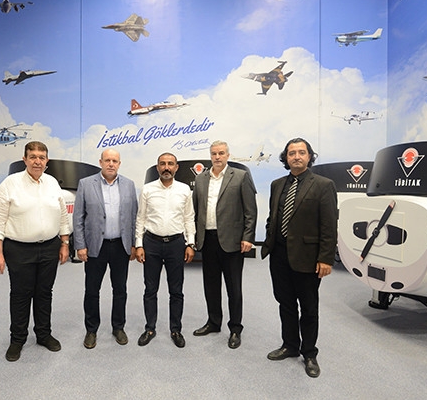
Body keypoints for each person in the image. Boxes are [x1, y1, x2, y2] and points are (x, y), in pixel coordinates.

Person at [261, 137, 337, 378]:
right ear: (286, 158)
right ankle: (290, 345)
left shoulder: (323, 185)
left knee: (309, 308)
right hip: (279, 255)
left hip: (308, 257)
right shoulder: (277, 184)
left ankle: (310, 353)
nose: (296, 156)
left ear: (309, 156)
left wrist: (326, 258)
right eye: (291, 153)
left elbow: (329, 225)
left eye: (301, 152)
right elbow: (273, 217)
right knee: (285, 303)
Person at [0, 141, 71, 362]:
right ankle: (17, 339)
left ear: (47, 161)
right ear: (24, 159)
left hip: (49, 247)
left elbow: (63, 215)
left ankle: (43, 334)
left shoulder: (52, 183)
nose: (37, 161)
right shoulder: (10, 184)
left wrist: (65, 242)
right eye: (33, 157)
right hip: (19, 249)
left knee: (44, 293)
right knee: (21, 295)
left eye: (41, 157)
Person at [191, 140, 257, 349]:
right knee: (210, 285)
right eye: (214, 153)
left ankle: (235, 328)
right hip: (207, 240)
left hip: (232, 241)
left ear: (228, 155)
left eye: (221, 153)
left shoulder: (240, 177)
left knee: (233, 287)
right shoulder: (201, 179)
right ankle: (213, 322)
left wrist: (248, 237)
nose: (217, 157)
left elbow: (250, 210)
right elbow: (195, 210)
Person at [72, 148, 138, 349]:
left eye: (115, 161)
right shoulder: (86, 184)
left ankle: (118, 327)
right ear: (100, 162)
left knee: (120, 290)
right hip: (95, 247)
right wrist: (80, 245)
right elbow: (78, 218)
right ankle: (91, 330)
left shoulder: (129, 185)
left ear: (119, 164)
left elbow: (133, 217)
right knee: (92, 290)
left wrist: (134, 244)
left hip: (120, 246)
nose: (111, 164)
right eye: (107, 160)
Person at [135, 152, 195, 348]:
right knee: (150, 289)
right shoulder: (147, 189)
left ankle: (175, 329)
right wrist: (139, 244)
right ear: (157, 167)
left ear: (176, 167)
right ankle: (150, 328)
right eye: (162, 164)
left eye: (170, 164)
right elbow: (141, 218)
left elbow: (189, 218)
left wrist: (190, 244)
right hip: (151, 243)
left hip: (176, 244)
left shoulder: (184, 190)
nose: (166, 167)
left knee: (176, 291)